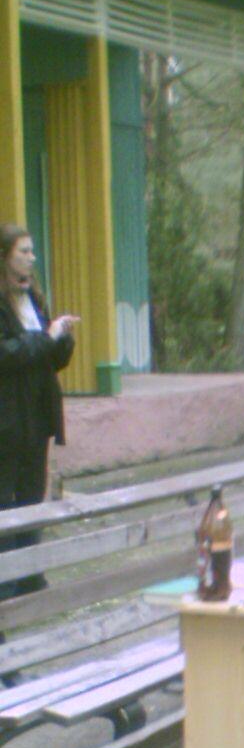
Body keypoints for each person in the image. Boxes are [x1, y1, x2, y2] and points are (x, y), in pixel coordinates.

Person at [0, 224, 78, 598]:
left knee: (33, 495)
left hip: (37, 415)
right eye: (24, 252)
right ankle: (6, 581)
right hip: (6, 419)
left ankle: (31, 578)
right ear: (4, 257)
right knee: (5, 500)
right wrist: (45, 340)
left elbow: (49, 360)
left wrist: (62, 339)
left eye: (32, 252)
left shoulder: (33, 298)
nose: (32, 259)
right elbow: (8, 354)